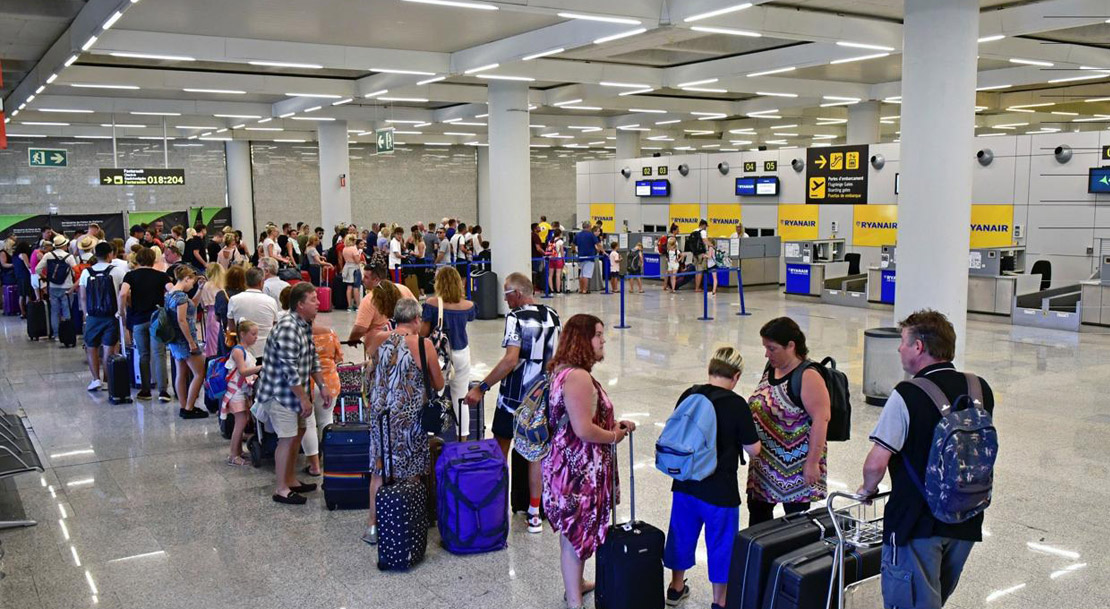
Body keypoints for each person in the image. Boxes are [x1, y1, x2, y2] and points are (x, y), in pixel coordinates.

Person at [858, 310, 995, 609]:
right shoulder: (979, 388)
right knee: (936, 597)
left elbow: (876, 464)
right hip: (967, 518)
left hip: (916, 522)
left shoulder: (907, 394)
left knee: (909, 602)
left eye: (903, 342)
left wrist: (867, 490)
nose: (899, 349)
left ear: (918, 347)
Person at [542, 313, 636, 609]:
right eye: (597, 334)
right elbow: (583, 429)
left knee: (572, 532)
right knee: (576, 534)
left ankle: (577, 584)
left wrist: (611, 424)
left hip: (568, 465)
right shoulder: (579, 377)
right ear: (583, 339)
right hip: (577, 472)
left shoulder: (563, 370)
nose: (603, 339)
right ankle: (574, 600)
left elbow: (576, 419)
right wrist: (614, 436)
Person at [664, 347, 762, 609]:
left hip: (685, 484)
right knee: (721, 545)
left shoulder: (690, 394)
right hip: (720, 492)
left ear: (710, 370)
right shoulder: (736, 404)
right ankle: (720, 601)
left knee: (681, 535)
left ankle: (675, 588)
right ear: (736, 376)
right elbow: (753, 450)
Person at [465, 273, 560, 534]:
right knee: (536, 455)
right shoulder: (553, 315)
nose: (505, 300)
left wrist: (481, 387)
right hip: (542, 398)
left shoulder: (515, 318)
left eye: (506, 294)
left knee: (500, 450)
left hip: (513, 400)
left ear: (517, 293)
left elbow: (510, 361)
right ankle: (534, 514)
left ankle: (494, 509)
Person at [360, 298, 444, 543]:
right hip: (408, 419)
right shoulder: (422, 343)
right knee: (411, 471)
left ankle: (373, 526)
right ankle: (407, 522)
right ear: (417, 319)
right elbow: (438, 383)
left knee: (379, 469)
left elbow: (371, 371)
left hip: (379, 416)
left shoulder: (375, 339)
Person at [252, 283, 332, 505]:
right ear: (300, 304)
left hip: (296, 393)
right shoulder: (288, 327)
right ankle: (281, 488)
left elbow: (312, 357)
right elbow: (289, 369)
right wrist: (303, 398)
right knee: (286, 439)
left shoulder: (303, 324)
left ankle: (290, 479)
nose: (318, 303)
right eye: (313, 299)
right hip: (282, 395)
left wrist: (322, 385)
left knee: (298, 433)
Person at [746, 317, 830, 525]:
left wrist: (812, 463)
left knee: (795, 523)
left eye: (772, 348)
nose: (767, 353)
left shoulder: (808, 375)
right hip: (764, 466)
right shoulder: (770, 368)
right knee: (757, 519)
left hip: (795, 469)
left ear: (791, 346)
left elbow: (822, 419)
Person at [419, 266, 476, 436]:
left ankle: (431, 439)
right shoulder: (469, 306)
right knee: (461, 398)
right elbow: (472, 317)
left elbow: (423, 333)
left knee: (434, 396)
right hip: (462, 354)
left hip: (440, 356)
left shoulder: (432, 304)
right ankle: (463, 440)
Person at [120, 247, 170, 401]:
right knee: (159, 354)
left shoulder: (130, 275)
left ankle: (145, 390)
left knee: (143, 355)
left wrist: (123, 311)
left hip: (138, 319)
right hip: (157, 319)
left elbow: (123, 293)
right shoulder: (162, 276)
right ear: (153, 259)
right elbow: (172, 290)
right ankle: (163, 391)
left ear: (138, 259)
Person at [79, 242, 128, 391]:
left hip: (93, 315)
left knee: (91, 347)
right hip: (111, 315)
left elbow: (82, 296)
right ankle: (108, 379)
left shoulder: (86, 272)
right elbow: (122, 294)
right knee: (109, 348)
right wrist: (122, 313)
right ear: (110, 255)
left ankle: (96, 379)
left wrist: (86, 314)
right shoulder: (118, 272)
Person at [165, 266, 209, 419]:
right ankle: (190, 407)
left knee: (181, 373)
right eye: (192, 282)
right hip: (185, 340)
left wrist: (200, 289)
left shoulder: (170, 294)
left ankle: (184, 406)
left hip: (174, 340)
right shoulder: (181, 297)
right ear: (186, 279)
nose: (192, 285)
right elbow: (182, 320)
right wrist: (191, 342)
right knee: (199, 373)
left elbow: (193, 306)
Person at [302, 316, 343, 476]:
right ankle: (330, 460)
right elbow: (338, 357)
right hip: (329, 381)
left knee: (308, 423)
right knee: (326, 419)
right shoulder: (329, 332)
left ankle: (314, 466)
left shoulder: (297, 335)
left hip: (306, 382)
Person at [222, 319, 262, 466]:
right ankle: (233, 455)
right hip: (236, 393)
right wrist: (259, 368)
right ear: (243, 334)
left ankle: (237, 451)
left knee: (243, 421)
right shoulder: (238, 351)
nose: (256, 337)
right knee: (240, 423)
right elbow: (243, 371)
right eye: (253, 334)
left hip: (241, 391)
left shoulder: (245, 350)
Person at [348, 264, 415, 350]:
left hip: (380, 348)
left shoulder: (369, 300)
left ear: (376, 280)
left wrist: (352, 340)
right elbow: (417, 313)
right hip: (406, 345)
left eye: (366, 277)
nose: (363, 280)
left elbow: (360, 329)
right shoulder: (403, 289)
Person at [228, 267, 281, 361]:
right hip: (266, 349)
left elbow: (231, 327)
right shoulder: (271, 301)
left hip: (243, 350)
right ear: (261, 282)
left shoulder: (234, 300)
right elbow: (275, 327)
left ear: (245, 282)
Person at [35, 234, 77, 341]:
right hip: (67, 287)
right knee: (67, 311)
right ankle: (68, 334)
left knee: (54, 311)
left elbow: (37, 269)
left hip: (53, 287)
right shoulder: (69, 257)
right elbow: (75, 271)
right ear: (65, 245)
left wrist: (45, 277)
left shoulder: (48, 255)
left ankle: (57, 335)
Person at [199, 263, 227, 357]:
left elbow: (203, 305)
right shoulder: (222, 285)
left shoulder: (206, 285)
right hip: (223, 315)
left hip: (212, 315)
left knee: (212, 346)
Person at [573, 221, 601, 295]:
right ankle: (585, 290)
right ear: (589, 226)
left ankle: (581, 289)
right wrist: (601, 251)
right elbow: (597, 244)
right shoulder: (591, 235)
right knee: (586, 274)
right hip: (589, 257)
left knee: (581, 274)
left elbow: (573, 244)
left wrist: (574, 251)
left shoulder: (578, 235)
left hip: (580, 256)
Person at [340, 234, 364, 310]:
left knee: (349, 287)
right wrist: (359, 254)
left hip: (347, 268)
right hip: (354, 269)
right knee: (356, 287)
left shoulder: (344, 249)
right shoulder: (354, 249)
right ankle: (358, 306)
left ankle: (349, 306)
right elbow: (357, 261)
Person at [12, 241, 34, 319]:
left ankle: (22, 312)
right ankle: (28, 312)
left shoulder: (14, 256)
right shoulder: (23, 255)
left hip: (18, 276)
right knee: (28, 294)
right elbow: (28, 265)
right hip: (26, 276)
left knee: (21, 295)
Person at [546, 229, 565, 294]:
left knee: (550, 275)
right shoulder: (560, 242)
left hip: (551, 259)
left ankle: (551, 289)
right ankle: (558, 290)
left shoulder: (550, 241)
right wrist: (563, 259)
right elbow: (562, 252)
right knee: (558, 275)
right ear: (560, 234)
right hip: (558, 259)